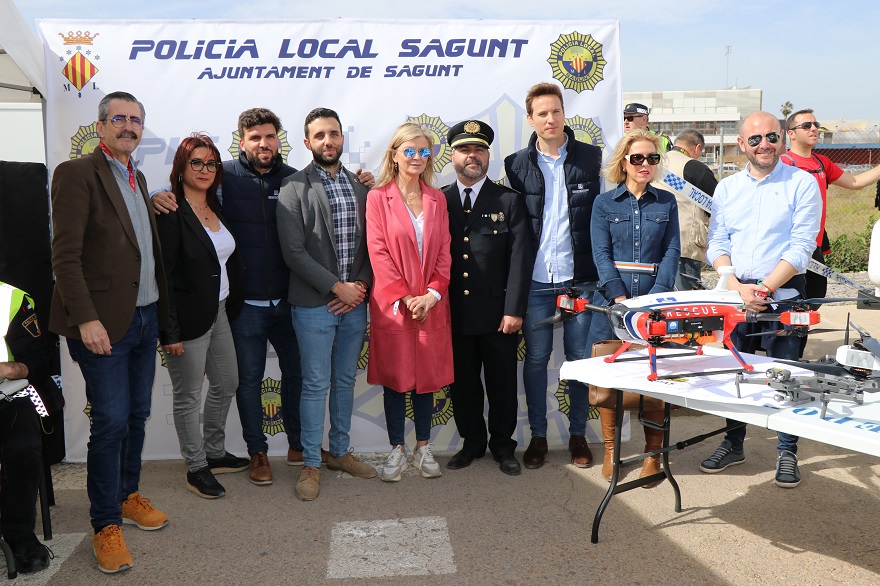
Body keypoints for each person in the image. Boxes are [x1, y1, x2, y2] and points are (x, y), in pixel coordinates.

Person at [153, 109, 374, 485]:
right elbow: (191, 195)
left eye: (270, 137)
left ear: (280, 140)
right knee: (248, 379)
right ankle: (257, 450)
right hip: (244, 304)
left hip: (293, 300)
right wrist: (160, 194)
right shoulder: (222, 177)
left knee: (299, 376)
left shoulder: (294, 179)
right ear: (242, 140)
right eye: (255, 137)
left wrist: (365, 182)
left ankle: (297, 446)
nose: (263, 144)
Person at [50, 91, 170, 573]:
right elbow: (64, 256)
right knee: (112, 422)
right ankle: (104, 523)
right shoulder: (76, 174)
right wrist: (86, 318)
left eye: (135, 120)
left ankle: (126, 496)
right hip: (101, 324)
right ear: (100, 127)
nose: (127, 126)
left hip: (144, 318)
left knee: (137, 415)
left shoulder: (137, 176)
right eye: (117, 119)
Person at [699, 111, 821, 488]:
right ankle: (734, 443)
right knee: (737, 373)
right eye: (755, 139)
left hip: (783, 296)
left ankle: (787, 451)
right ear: (741, 144)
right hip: (736, 297)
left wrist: (765, 289)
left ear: (782, 137)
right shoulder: (727, 188)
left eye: (771, 136)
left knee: (785, 375)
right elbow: (716, 243)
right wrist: (735, 286)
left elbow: (803, 247)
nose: (764, 144)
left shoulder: (802, 184)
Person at [277, 108, 377, 501]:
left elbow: (374, 245)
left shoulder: (362, 187)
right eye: (319, 136)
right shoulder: (292, 188)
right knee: (316, 384)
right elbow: (294, 252)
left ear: (342, 138)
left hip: (355, 303)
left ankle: (339, 452)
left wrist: (361, 286)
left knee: (345, 381)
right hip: (315, 304)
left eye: (334, 134)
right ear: (307, 142)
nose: (328, 141)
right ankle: (311, 466)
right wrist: (337, 288)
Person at [504, 82, 603, 469]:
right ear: (531, 119)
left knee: (578, 359)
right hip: (535, 284)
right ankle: (539, 438)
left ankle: (578, 435)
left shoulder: (591, 158)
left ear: (565, 114)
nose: (550, 118)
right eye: (542, 113)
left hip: (580, 280)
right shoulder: (515, 165)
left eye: (556, 111)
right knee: (536, 361)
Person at [585, 129, 681, 487]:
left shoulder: (666, 202)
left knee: (655, 379)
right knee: (610, 378)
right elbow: (601, 254)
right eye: (637, 158)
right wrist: (619, 298)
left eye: (652, 158)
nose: (645, 165)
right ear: (623, 162)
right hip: (613, 303)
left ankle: (653, 453)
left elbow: (672, 252)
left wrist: (653, 299)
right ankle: (611, 449)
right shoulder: (604, 203)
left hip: (656, 305)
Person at [156, 134, 248, 499]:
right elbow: (163, 276)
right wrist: (170, 332)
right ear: (181, 168)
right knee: (188, 395)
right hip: (187, 319)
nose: (205, 169)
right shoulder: (169, 211)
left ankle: (214, 451)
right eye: (196, 162)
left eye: (211, 163)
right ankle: (196, 467)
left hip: (220, 309)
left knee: (227, 382)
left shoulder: (215, 205)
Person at [441, 121, 530, 476]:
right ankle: (472, 442)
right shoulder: (438, 200)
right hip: (453, 312)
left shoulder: (508, 200)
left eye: (478, 149)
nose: (472, 156)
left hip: (497, 314)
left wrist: (514, 311)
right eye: (465, 150)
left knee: (502, 384)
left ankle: (503, 447)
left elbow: (520, 260)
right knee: (462, 383)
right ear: (453, 156)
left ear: (488, 155)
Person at [366, 122, 453, 483]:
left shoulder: (437, 198)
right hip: (394, 306)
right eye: (410, 151)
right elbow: (378, 252)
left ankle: (422, 446)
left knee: (426, 380)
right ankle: (396, 448)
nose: (417, 157)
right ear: (395, 155)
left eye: (424, 151)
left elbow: (445, 253)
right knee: (395, 379)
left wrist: (431, 295)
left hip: (430, 305)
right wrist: (405, 296)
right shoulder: (377, 198)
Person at [783, 108, 880, 300]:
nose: (814, 129)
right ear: (791, 134)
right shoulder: (784, 164)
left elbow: (855, 182)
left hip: (814, 244)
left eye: (816, 125)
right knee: (792, 299)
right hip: (790, 245)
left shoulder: (822, 162)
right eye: (807, 125)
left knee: (816, 296)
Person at [0, 282, 52, 573]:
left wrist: (10, 369)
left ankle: (20, 536)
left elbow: (40, 363)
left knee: (23, 447)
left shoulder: (12, 298)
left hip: (7, 396)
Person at [662, 129, 717, 291]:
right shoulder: (694, 167)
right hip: (683, 246)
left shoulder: (654, 164)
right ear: (697, 147)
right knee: (685, 300)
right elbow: (717, 204)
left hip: (653, 244)